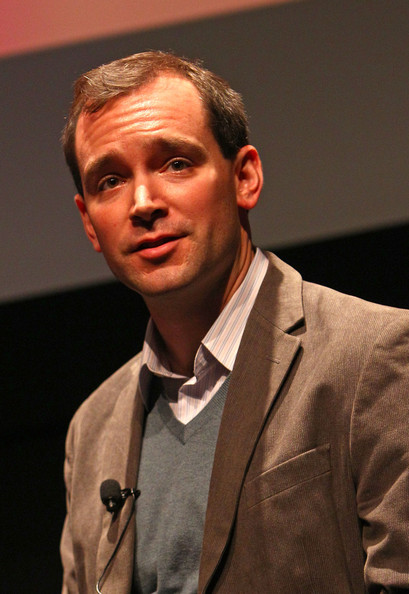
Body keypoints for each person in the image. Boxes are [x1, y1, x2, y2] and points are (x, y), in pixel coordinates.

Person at [60, 51, 409, 593]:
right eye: (110, 181)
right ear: (89, 222)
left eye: (175, 163)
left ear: (244, 177)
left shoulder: (373, 355)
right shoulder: (93, 427)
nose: (144, 202)